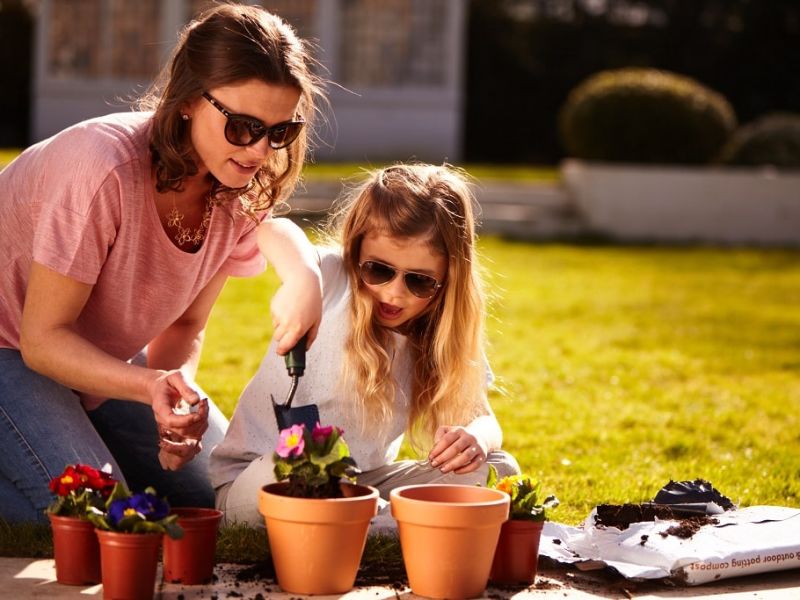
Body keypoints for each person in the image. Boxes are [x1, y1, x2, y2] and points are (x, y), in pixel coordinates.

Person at [0, 4, 325, 522]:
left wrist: (175, 402)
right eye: (242, 126)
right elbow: (42, 339)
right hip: (11, 347)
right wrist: (148, 386)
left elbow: (185, 324)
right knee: (99, 514)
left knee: (216, 498)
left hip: (85, 357)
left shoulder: (235, 188)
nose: (261, 150)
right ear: (190, 102)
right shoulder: (101, 168)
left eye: (280, 131)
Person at [211, 163, 521, 526]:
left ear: (448, 279)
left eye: (419, 282)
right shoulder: (328, 277)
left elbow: (482, 417)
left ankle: (374, 520)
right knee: (303, 473)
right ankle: (406, 523)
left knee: (496, 470)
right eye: (378, 270)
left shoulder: (438, 333)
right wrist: (301, 279)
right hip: (266, 478)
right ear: (356, 250)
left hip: (357, 484)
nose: (394, 292)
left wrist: (476, 438)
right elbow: (273, 230)